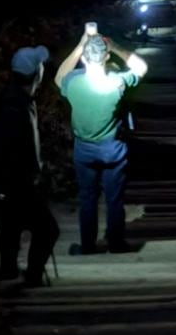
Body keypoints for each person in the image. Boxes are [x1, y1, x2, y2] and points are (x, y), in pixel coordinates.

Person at [55, 25, 148, 255]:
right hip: (113, 150)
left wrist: (80, 44)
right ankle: (117, 243)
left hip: (84, 151)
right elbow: (142, 67)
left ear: (85, 60)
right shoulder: (117, 82)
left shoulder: (73, 82)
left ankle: (88, 245)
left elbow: (59, 76)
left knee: (87, 198)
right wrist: (113, 45)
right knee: (114, 198)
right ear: (106, 58)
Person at [0, 44, 60, 286]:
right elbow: (8, 149)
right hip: (16, 183)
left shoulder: (14, 100)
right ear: (36, 74)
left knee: (11, 226)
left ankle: (9, 271)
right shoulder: (15, 107)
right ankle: (30, 277)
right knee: (46, 229)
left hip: (8, 183)